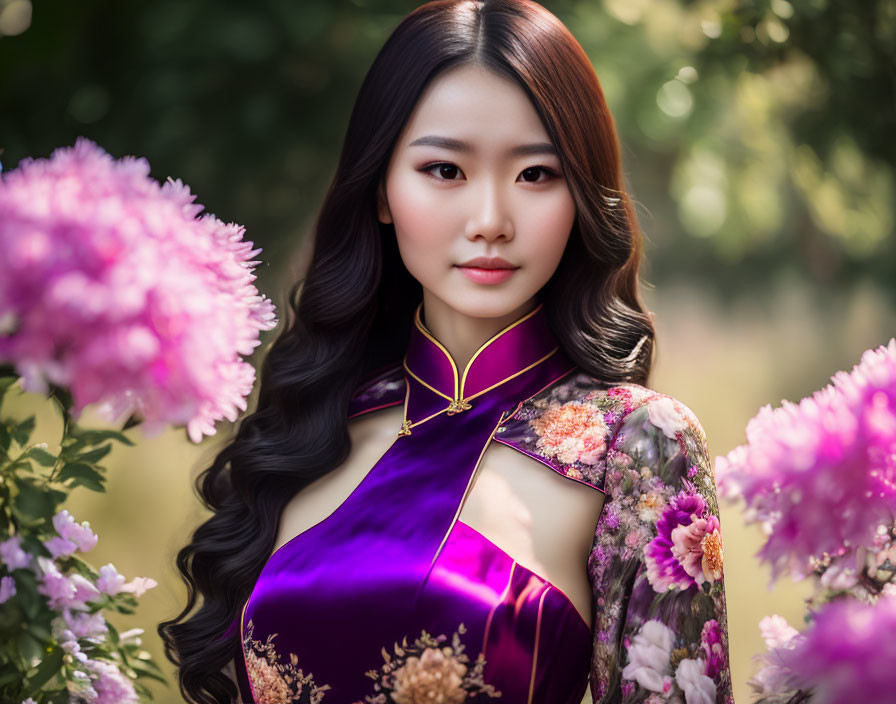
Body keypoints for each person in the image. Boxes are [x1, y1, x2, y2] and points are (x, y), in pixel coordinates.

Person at [158, 1, 734, 702]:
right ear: (380, 190)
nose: (490, 221)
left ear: (583, 196)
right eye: (444, 170)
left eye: (535, 175)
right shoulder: (317, 425)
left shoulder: (636, 442)